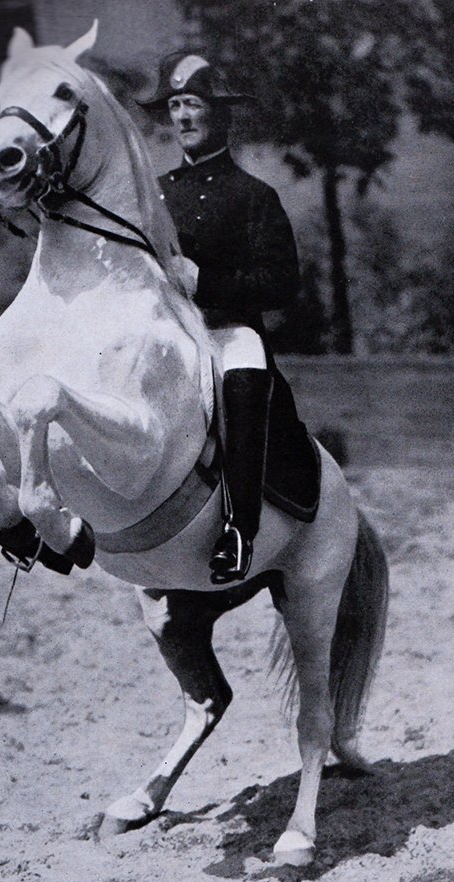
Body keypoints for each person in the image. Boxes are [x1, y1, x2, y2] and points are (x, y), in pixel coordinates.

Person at [138, 53, 314, 585]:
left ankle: (239, 530)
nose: (184, 117)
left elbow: (282, 284)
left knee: (244, 379)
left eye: (194, 104)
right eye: (175, 106)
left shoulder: (256, 197)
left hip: (227, 328)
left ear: (219, 115)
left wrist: (205, 283)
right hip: (166, 328)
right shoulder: (155, 193)